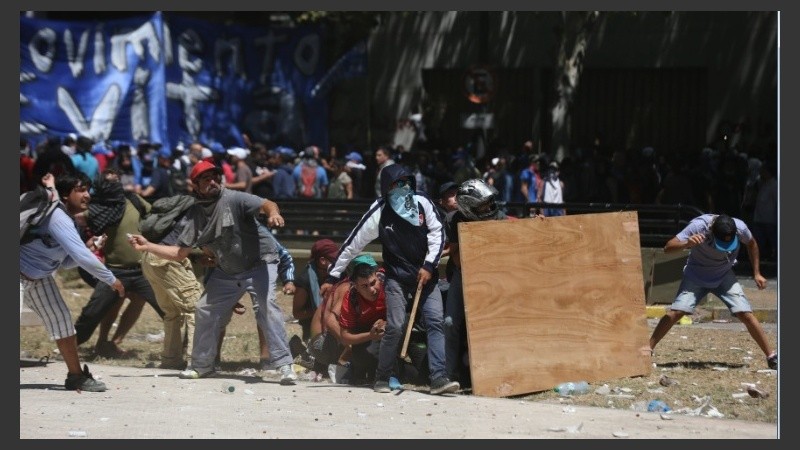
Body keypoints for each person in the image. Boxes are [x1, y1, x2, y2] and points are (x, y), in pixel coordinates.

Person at [127, 160, 298, 385]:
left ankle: (284, 365)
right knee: (203, 309)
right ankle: (202, 365)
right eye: (206, 179)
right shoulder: (195, 214)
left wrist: (273, 214)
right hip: (227, 270)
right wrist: (147, 246)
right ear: (195, 185)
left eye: (215, 177)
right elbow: (179, 253)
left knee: (266, 307)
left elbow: (267, 203)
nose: (213, 182)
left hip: (259, 263)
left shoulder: (234, 198)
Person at [320, 163, 459, 395]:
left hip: (427, 276)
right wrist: (332, 275)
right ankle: (382, 377)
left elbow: (437, 234)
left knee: (435, 322)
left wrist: (428, 265)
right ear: (386, 188)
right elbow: (354, 243)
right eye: (397, 185)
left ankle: (438, 378)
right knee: (394, 326)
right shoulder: (380, 211)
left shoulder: (423, 203)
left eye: (407, 184)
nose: (403, 189)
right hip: (396, 276)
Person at [20, 173, 125, 392]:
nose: (87, 195)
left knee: (62, 321)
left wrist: (89, 247)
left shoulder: (67, 220)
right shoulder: (58, 217)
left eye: (88, 190)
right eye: (81, 190)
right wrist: (111, 279)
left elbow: (66, 261)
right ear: (66, 195)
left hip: (38, 277)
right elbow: (79, 258)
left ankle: (76, 376)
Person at [648, 214, 777, 370]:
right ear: (711, 233)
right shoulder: (698, 226)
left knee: (745, 313)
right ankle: (647, 350)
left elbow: (752, 243)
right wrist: (687, 244)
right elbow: (668, 247)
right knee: (675, 313)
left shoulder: (740, 227)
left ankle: (771, 356)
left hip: (723, 275)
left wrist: (757, 272)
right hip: (696, 275)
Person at [73, 168, 165, 358]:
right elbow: (77, 218)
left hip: (143, 271)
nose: (114, 186)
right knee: (92, 313)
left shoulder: (134, 200)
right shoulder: (97, 208)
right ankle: (71, 345)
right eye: (109, 182)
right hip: (114, 273)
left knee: (168, 309)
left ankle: (185, 347)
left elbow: (154, 216)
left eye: (117, 182)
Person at [443, 179, 517, 386]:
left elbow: (515, 224)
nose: (489, 207)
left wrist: (535, 223)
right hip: (463, 273)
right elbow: (456, 256)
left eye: (489, 202)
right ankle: (447, 374)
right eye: (483, 205)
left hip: (494, 275)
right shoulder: (453, 220)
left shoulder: (496, 217)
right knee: (449, 323)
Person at [337, 254, 388, 385]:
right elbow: (345, 336)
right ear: (355, 286)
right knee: (364, 356)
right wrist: (370, 335)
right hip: (368, 336)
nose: (372, 290)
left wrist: (386, 323)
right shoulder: (351, 299)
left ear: (377, 274)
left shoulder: (388, 283)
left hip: (392, 330)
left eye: (373, 283)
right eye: (364, 286)